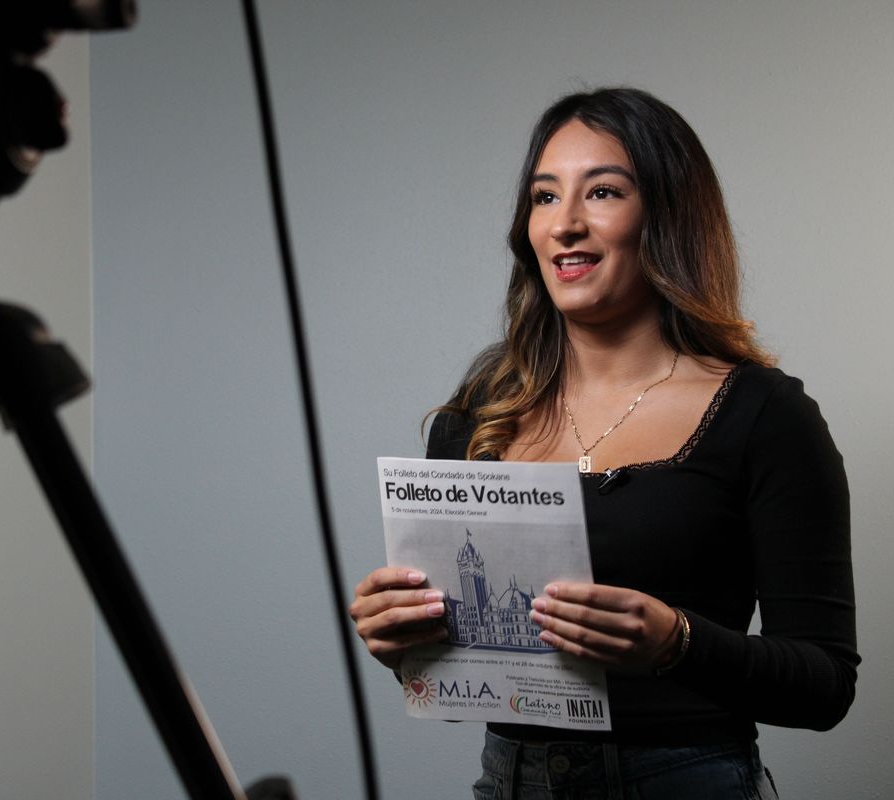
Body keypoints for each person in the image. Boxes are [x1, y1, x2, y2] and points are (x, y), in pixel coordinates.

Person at [349, 87, 858, 799]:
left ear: (666, 217)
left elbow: (826, 686)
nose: (567, 225)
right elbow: (458, 680)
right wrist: (400, 641)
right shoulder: (479, 414)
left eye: (605, 193)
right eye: (546, 198)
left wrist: (676, 641)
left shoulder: (765, 416)